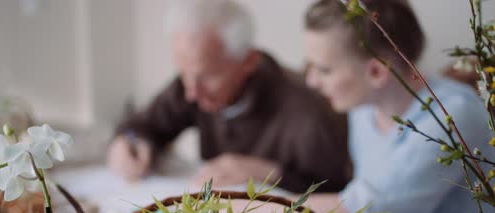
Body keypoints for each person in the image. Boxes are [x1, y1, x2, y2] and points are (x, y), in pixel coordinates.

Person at [296, 0, 495, 213]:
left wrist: (240, 204)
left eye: (324, 70)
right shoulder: (363, 108)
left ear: (376, 71)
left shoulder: (450, 119)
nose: (311, 81)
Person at [107, 0, 350, 193]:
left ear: (248, 61)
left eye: (206, 77)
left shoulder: (307, 110)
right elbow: (144, 125)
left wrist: (271, 172)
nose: (191, 93)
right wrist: (128, 142)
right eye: (183, 73)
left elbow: (338, 193)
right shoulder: (192, 82)